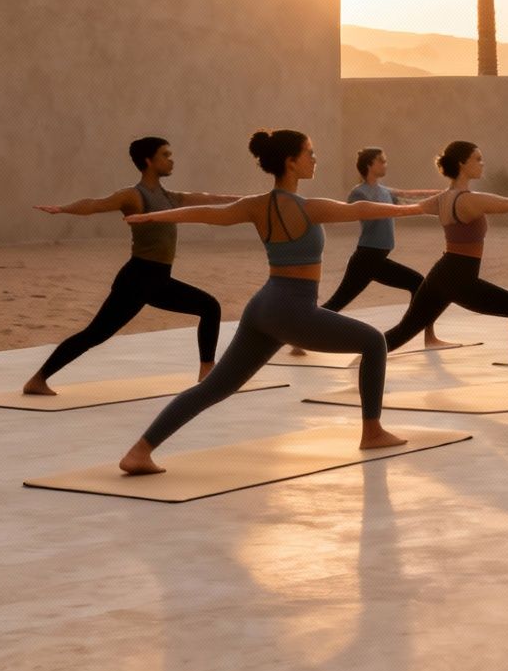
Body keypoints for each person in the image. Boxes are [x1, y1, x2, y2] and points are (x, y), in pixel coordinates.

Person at [116, 129, 431, 475]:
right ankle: (372, 432)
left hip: (264, 305)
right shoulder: (309, 209)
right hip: (293, 310)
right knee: (373, 342)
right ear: (290, 162)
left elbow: (206, 213)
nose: (315, 159)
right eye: (309, 153)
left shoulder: (255, 205)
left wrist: (150, 217)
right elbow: (360, 209)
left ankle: (140, 451)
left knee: (216, 387)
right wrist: (416, 209)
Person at [25, 137, 241, 395]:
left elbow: (208, 198)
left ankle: (206, 372)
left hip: (158, 280)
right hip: (138, 279)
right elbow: (95, 204)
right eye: (165, 154)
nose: (171, 159)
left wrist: (252, 201)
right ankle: (38, 380)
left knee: (209, 307)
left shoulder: (168, 196)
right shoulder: (134, 195)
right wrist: (62, 209)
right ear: (149, 161)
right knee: (95, 334)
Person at [379, 141, 508, 400]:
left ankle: (365, 357)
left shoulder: (442, 199)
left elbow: (407, 208)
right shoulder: (469, 201)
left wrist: (374, 205)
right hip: (460, 278)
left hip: (442, 273)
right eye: (478, 159)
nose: (482, 163)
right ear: (462, 164)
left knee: (404, 330)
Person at [285, 147, 450, 356]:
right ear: (370, 165)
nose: (385, 164)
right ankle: (298, 336)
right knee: (337, 303)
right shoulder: (359, 193)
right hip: (366, 258)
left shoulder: (386, 192)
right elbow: (351, 212)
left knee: (417, 283)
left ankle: (426, 334)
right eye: (381, 161)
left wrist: (442, 207)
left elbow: (410, 206)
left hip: (379, 259)